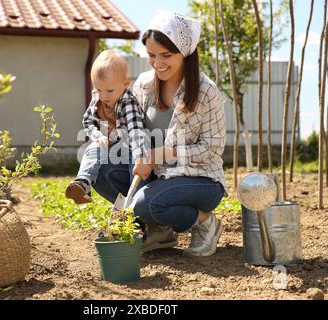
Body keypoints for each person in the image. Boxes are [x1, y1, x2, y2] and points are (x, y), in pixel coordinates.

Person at [93, 10, 228, 257]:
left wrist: (164, 154)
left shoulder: (206, 91)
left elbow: (212, 149)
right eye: (152, 56)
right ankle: (159, 231)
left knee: (146, 203)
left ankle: (205, 221)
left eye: (166, 55)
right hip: (155, 175)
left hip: (200, 180)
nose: (158, 63)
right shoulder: (144, 84)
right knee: (100, 170)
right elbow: (134, 130)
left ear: (185, 52)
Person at [65, 50, 148, 204]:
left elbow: (136, 133)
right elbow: (88, 121)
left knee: (135, 168)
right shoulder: (98, 98)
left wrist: (140, 158)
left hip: (130, 149)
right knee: (93, 148)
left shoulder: (128, 103)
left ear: (126, 83)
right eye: (99, 90)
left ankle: (136, 205)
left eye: (109, 91)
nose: (104, 96)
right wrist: (98, 135)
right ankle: (83, 183)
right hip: (109, 146)